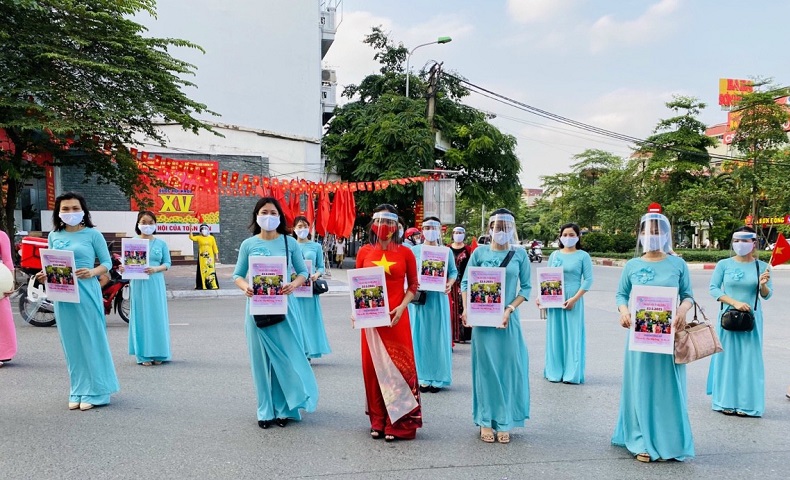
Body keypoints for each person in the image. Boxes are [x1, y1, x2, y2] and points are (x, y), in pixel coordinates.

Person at [613, 210, 694, 462]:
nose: (652, 235)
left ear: (667, 235)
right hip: (639, 337)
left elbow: (688, 295)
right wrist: (624, 312)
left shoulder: (678, 264)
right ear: (640, 235)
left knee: (667, 386)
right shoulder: (632, 265)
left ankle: (668, 438)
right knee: (640, 383)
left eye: (658, 231)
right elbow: (621, 295)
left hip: (668, 336)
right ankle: (640, 438)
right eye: (648, 231)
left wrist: (682, 309)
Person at [233, 197, 318, 429]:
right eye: (264, 212)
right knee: (260, 363)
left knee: (286, 360)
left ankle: (284, 410)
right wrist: (245, 287)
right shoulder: (248, 244)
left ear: (279, 217)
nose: (268, 216)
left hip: (285, 308)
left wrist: (294, 284)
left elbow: (302, 273)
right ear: (256, 216)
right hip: (256, 310)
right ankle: (264, 411)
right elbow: (237, 275)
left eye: (273, 212)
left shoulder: (290, 243)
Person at [36, 192, 119, 411]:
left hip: (87, 291)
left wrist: (92, 272)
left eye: (75, 208)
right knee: (71, 343)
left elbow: (107, 264)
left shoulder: (93, 234)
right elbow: (53, 263)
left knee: (91, 339)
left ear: (83, 211)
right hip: (62, 293)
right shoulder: (54, 235)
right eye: (65, 209)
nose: (70, 212)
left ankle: (98, 391)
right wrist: (45, 274)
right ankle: (78, 388)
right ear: (58, 212)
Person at [460, 209, 531, 445]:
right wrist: (467, 308)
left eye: (505, 227)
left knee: (507, 369)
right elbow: (466, 282)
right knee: (485, 371)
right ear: (489, 229)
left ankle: (504, 420)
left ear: (512, 230)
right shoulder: (479, 253)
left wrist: (509, 309)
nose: (500, 232)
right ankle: (484, 419)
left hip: (507, 322)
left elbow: (527, 288)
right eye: (496, 227)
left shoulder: (520, 255)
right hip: (482, 322)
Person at [355, 204, 421, 442]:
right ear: (373, 225)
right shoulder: (363, 252)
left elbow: (414, 285)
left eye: (390, 223)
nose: (385, 227)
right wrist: (356, 312)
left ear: (397, 227)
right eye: (380, 222)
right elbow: (358, 287)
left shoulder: (406, 253)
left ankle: (399, 422)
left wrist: (402, 307)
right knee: (372, 370)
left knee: (398, 370)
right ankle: (377, 420)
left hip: (396, 319)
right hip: (371, 322)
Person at [706, 227, 773, 417]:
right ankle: (724, 401)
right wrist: (734, 302)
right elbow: (713, 289)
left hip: (751, 321)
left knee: (749, 361)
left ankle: (748, 404)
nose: (740, 244)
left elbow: (767, 296)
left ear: (754, 243)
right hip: (728, 318)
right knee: (727, 360)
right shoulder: (724, 264)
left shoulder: (763, 266)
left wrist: (763, 285)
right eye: (737, 240)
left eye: (745, 241)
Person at [537, 223, 593, 384]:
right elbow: (546, 277)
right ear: (560, 236)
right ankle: (554, 371)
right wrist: (541, 297)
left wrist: (575, 299)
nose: (568, 238)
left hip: (573, 298)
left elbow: (588, 280)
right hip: (554, 298)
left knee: (573, 335)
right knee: (555, 335)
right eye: (565, 235)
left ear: (578, 237)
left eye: (572, 235)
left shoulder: (583, 256)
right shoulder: (554, 255)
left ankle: (571, 373)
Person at [408, 217, 457, 392]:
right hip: (419, 300)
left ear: (440, 230)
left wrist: (449, 283)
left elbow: (453, 272)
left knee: (438, 337)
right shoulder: (413, 250)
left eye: (433, 227)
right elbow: (408, 272)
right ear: (422, 230)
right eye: (427, 227)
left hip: (438, 299)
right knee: (419, 336)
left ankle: (438, 377)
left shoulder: (446, 251)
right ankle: (422, 376)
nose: (430, 230)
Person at [122, 211, 172, 366]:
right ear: (138, 224)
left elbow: (167, 264)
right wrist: (124, 269)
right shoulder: (132, 242)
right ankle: (143, 354)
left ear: (155, 224)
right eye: (144, 222)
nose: (147, 225)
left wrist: (155, 269)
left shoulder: (161, 244)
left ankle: (160, 353)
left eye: (151, 222)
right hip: (138, 283)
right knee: (141, 316)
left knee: (157, 316)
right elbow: (126, 264)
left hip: (155, 283)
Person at [293, 216, 331, 360]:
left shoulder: (316, 246)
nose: (302, 229)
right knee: (296, 321)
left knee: (309, 321)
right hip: (294, 289)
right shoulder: (291, 246)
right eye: (299, 226)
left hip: (309, 290)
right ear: (294, 229)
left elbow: (321, 266)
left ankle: (308, 351)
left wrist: (317, 274)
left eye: (304, 226)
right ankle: (298, 351)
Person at [448, 226, 473, 345]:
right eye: (456, 232)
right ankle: (451, 335)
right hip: (450, 284)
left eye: (461, 232)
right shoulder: (446, 249)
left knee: (464, 308)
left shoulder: (469, 250)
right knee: (451, 308)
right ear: (452, 234)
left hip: (464, 284)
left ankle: (464, 335)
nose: (458, 234)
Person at [0, 229, 17, 368]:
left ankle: (2, 353)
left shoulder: (1, 235)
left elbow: (7, 260)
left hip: (0, 282)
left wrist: (10, 283)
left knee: (2, 318)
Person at [189, 223, 219, 290]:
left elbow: (215, 247)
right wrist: (191, 230)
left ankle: (212, 284)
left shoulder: (211, 238)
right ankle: (203, 285)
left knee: (210, 270)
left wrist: (216, 255)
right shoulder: (199, 237)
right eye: (202, 229)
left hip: (210, 257)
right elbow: (191, 238)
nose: (204, 230)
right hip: (202, 257)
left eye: (205, 229)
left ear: (208, 230)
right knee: (203, 270)